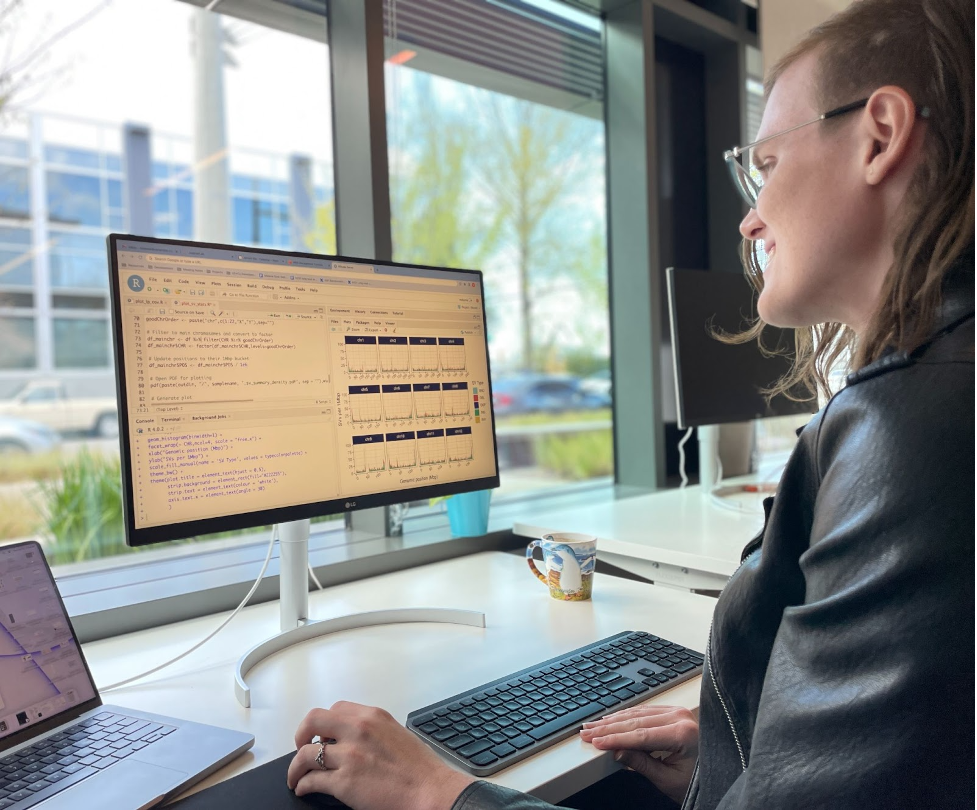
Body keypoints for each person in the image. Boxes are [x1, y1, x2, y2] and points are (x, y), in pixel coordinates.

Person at [286, 0, 975, 807]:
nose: (751, 216)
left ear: (880, 135)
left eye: (766, 165)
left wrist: (437, 793)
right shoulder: (933, 391)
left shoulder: (913, 433)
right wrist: (741, 756)